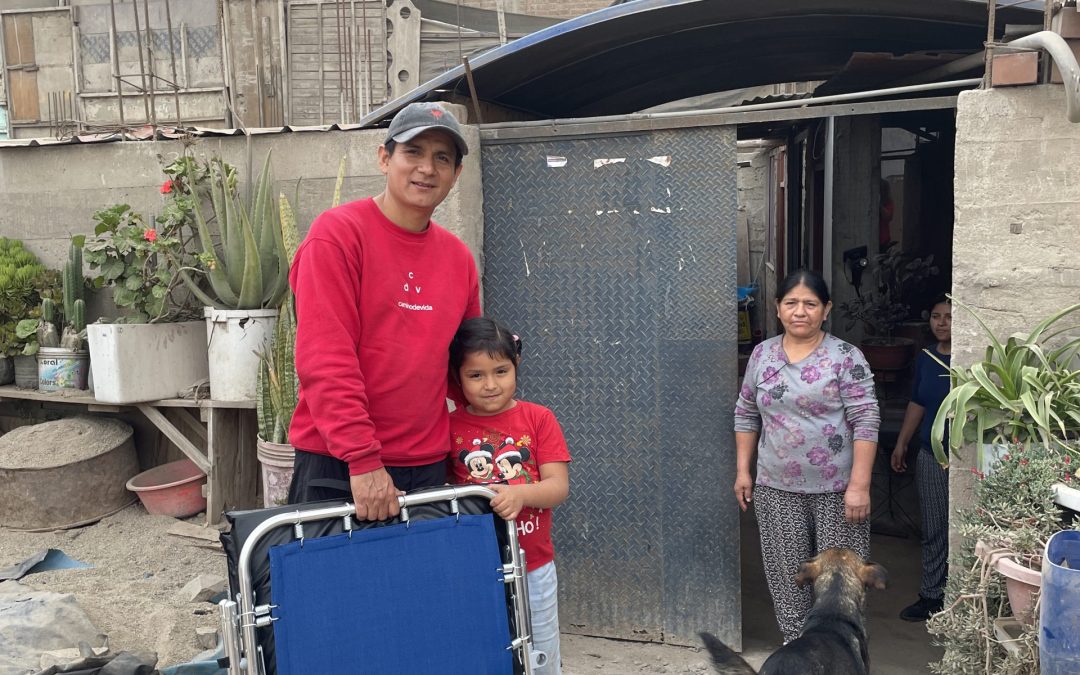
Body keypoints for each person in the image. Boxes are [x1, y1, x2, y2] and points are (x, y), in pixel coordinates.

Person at [287, 102, 481, 518]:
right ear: (384, 158)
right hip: (342, 465)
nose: (427, 168)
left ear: (456, 174)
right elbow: (326, 357)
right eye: (413, 152)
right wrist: (362, 458)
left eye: (442, 158)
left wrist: (500, 429)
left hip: (428, 464)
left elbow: (465, 366)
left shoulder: (458, 259)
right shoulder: (338, 236)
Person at [733, 269, 880, 644]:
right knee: (788, 583)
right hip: (775, 489)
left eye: (810, 304)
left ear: (826, 309)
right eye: (791, 303)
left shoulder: (845, 357)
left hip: (838, 492)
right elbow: (746, 413)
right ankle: (797, 652)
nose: (800, 311)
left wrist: (859, 486)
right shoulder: (762, 355)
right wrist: (743, 471)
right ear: (778, 308)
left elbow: (866, 420)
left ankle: (841, 655)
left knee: (840, 591)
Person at [447, 317, 571, 675]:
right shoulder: (449, 427)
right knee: (485, 647)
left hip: (534, 565)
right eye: (476, 375)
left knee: (540, 650)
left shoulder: (538, 418)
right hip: (474, 567)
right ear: (457, 377)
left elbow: (558, 487)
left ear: (516, 365)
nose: (490, 385)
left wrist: (520, 494)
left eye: (500, 371)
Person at [891, 295, 952, 621]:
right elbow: (918, 402)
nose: (941, 323)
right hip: (931, 454)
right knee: (934, 528)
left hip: (965, 457)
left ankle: (962, 596)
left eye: (949, 317)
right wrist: (902, 443)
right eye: (936, 316)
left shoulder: (972, 360)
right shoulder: (927, 358)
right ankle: (932, 595)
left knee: (964, 529)